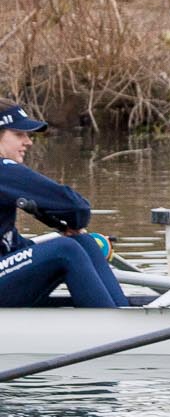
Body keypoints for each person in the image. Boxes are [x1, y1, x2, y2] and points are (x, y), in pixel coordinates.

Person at [0, 102, 126, 308]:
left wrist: (78, 240)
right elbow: (77, 208)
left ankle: (123, 315)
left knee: (83, 243)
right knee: (66, 249)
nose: (29, 142)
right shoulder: (3, 171)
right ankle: (114, 329)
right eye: (18, 134)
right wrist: (74, 224)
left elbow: (11, 246)